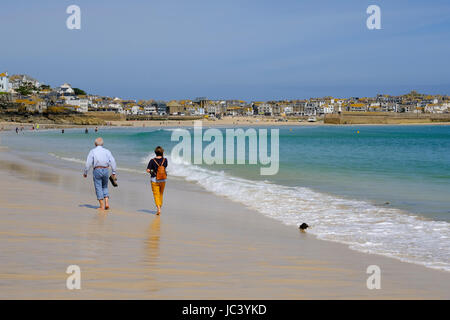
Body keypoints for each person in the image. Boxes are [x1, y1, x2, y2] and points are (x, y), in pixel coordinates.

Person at [83, 137, 117, 211]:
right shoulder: (107, 151)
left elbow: (88, 163)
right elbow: (113, 161)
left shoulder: (92, 151)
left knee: (98, 187)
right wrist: (114, 172)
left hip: (97, 170)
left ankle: (102, 205)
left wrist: (85, 172)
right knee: (105, 186)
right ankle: (107, 202)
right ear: (102, 144)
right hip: (105, 170)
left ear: (95, 144)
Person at [146, 146, 168, 215]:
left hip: (154, 179)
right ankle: (160, 207)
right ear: (162, 152)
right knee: (161, 194)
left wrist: (152, 171)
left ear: (155, 152)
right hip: (163, 179)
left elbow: (148, 170)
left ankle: (158, 208)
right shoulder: (165, 160)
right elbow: (165, 167)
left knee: (156, 194)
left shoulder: (152, 160)